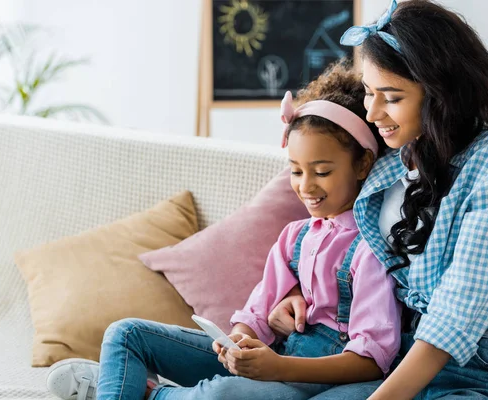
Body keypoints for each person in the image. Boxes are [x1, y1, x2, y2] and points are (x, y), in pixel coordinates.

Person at [45, 61, 401, 400]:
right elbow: (256, 314)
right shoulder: (294, 237)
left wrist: (277, 366)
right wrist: (237, 342)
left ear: (363, 164)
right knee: (125, 333)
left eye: (321, 172)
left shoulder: (370, 246)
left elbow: (371, 361)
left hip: (306, 377)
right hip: (269, 361)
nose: (306, 186)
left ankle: (140, 391)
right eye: (296, 171)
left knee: (222, 394)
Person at [268, 1, 488, 399]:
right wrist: (298, 293)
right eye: (369, 92)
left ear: (440, 94)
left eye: (392, 97)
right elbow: (334, 234)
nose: (373, 111)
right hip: (402, 354)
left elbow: (461, 308)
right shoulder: (390, 157)